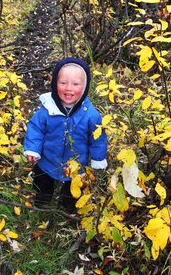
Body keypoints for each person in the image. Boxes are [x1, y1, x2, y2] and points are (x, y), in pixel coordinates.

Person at [24, 57, 108, 213]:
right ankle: (41, 201)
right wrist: (32, 149)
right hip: (47, 159)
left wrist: (98, 158)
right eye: (63, 83)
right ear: (55, 83)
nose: (69, 88)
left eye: (76, 84)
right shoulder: (47, 109)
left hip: (76, 163)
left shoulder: (91, 115)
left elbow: (97, 138)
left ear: (84, 87)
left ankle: (69, 206)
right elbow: (35, 128)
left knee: (74, 187)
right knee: (42, 180)